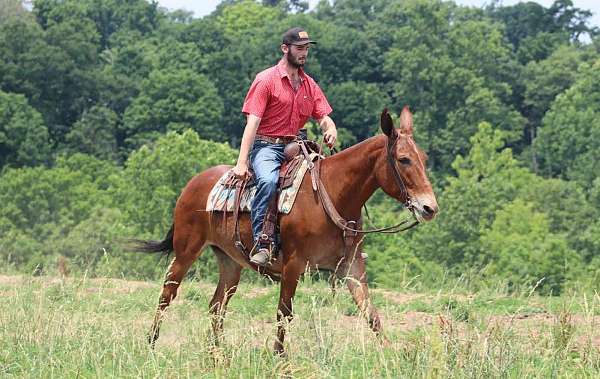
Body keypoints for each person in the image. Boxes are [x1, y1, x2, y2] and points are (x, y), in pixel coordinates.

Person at [232, 27, 338, 266]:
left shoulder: (309, 85)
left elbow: (323, 116)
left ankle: (336, 243)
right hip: (265, 146)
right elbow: (252, 124)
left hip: (295, 145)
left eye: (307, 49)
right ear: (285, 49)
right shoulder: (266, 80)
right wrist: (241, 162)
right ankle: (263, 242)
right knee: (268, 182)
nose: (304, 54)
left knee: (327, 178)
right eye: (299, 49)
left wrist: (330, 128)